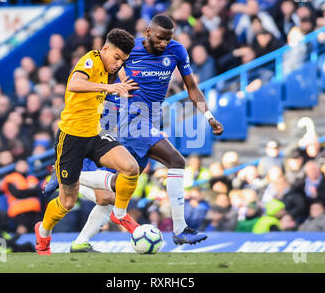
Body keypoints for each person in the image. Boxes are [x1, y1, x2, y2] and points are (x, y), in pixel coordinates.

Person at [44, 15, 224, 251]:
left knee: (113, 192)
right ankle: (180, 230)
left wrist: (209, 117)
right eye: (159, 38)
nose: (163, 44)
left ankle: (80, 239)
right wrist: (111, 95)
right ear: (148, 32)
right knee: (176, 161)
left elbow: (192, 88)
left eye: (167, 40)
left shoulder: (177, 51)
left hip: (150, 120)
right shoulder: (131, 50)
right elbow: (110, 68)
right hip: (131, 119)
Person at [35, 28, 140, 255]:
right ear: (104, 49)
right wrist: (109, 87)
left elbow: (101, 92)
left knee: (131, 168)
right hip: (71, 137)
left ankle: (119, 214)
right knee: (68, 202)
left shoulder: (109, 69)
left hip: (94, 134)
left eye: (123, 60)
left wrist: (118, 89)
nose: (118, 64)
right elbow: (74, 83)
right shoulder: (91, 60)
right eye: (116, 58)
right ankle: (43, 233)